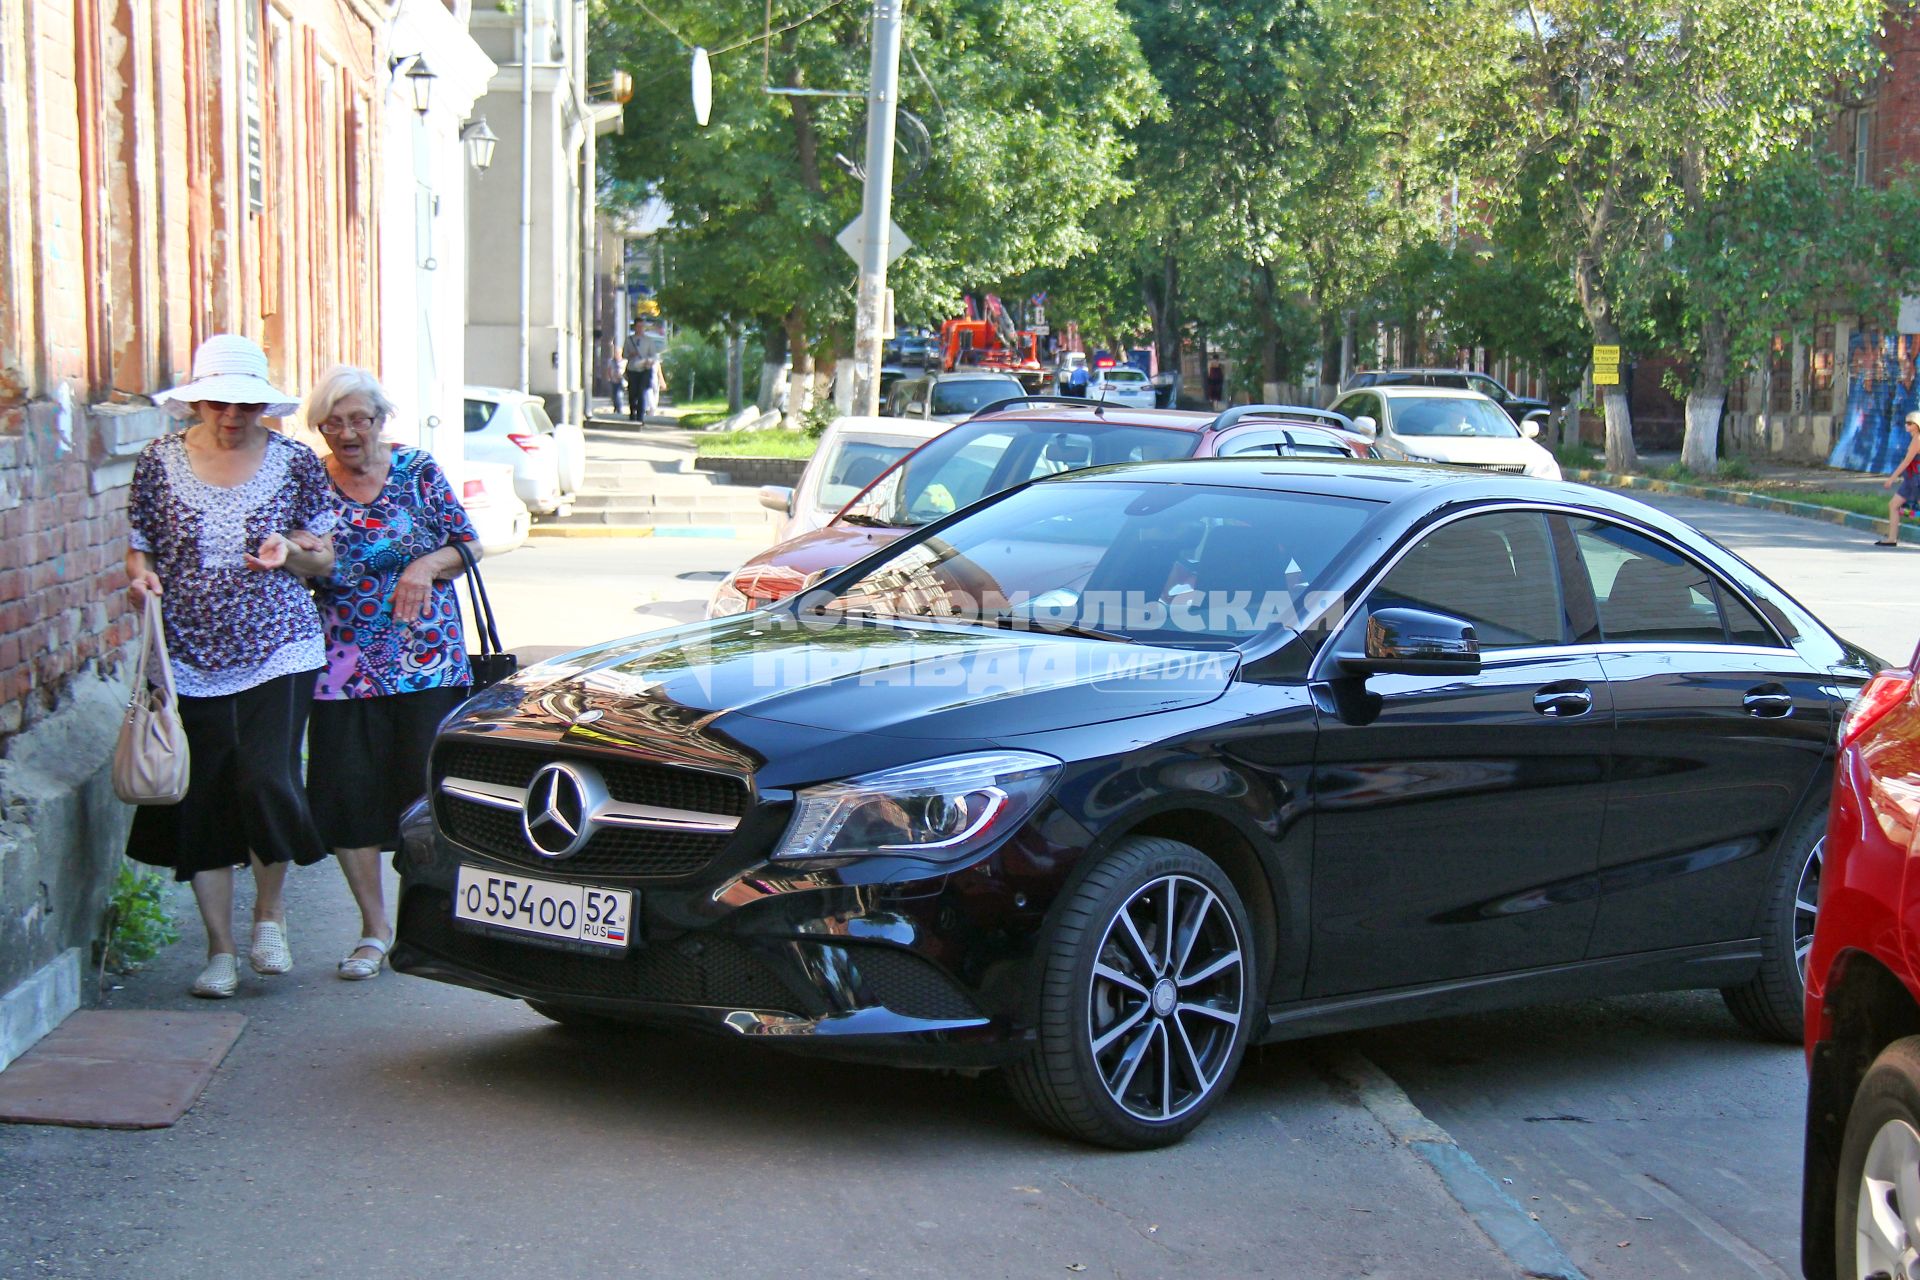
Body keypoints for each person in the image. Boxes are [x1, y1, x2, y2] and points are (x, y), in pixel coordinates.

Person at [123, 334, 339, 999]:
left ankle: (268, 916)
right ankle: (219, 952)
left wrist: (290, 555)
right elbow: (141, 551)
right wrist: (142, 582)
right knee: (203, 796)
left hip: (280, 644)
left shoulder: (295, 462)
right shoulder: (157, 462)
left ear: (262, 407)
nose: (230, 417)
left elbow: (323, 557)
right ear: (197, 401)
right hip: (188, 652)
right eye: (217, 403)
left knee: (266, 777)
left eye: (244, 406)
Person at [302, 367, 480, 979]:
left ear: (381, 420)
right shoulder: (308, 482)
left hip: (426, 663)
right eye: (334, 422)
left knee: (424, 798)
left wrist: (426, 565)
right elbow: (298, 556)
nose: (348, 433)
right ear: (320, 427)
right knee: (348, 795)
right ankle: (373, 932)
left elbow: (469, 543)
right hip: (339, 667)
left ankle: (426, 925)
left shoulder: (418, 471)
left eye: (360, 419)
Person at [1877, 408, 1920, 546]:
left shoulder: (1917, 439)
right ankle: (1892, 538)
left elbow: (1906, 462)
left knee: (1907, 508)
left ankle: (1892, 538)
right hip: (1911, 479)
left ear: (1917, 425)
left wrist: (1891, 479)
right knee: (1894, 505)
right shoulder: (1914, 438)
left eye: (1910, 423)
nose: (1906, 425)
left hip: (1916, 480)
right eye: (1906, 423)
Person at [622, 319, 660, 421]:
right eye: (638, 326)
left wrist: (650, 362)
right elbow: (624, 355)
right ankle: (632, 411)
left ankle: (640, 416)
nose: (640, 329)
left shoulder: (648, 341)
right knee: (632, 392)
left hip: (644, 369)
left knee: (642, 392)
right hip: (632, 369)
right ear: (635, 327)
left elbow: (654, 356)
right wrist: (630, 354)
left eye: (642, 327)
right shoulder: (629, 340)